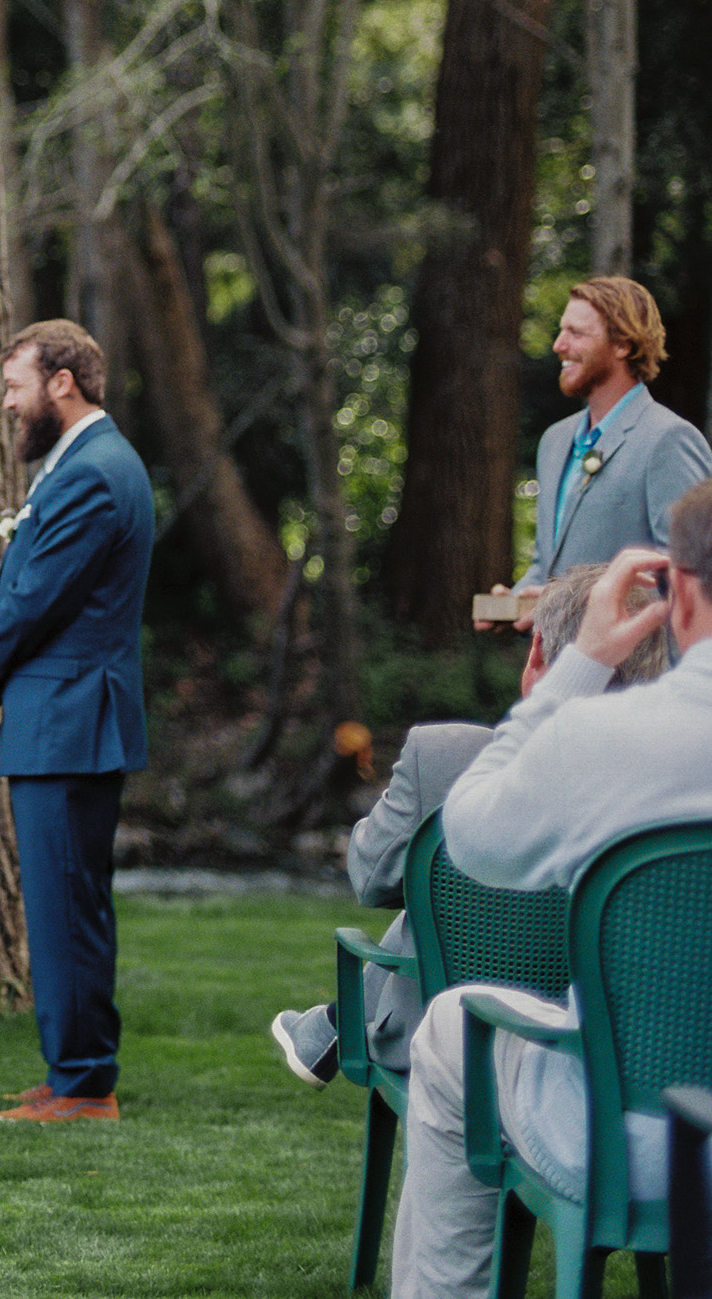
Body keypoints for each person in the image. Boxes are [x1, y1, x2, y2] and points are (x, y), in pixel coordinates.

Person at [390, 489, 712, 1299]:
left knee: (448, 1025)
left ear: (681, 592)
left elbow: (467, 837)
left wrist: (579, 666)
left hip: (627, 1138)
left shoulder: (595, 738)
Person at [271, 562, 671, 1088]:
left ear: (538, 653)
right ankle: (329, 1025)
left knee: (433, 880)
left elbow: (370, 878)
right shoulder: (678, 783)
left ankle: (336, 1021)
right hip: (630, 1055)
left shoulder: (445, 757)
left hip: (455, 1041)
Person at [0, 320, 153, 1125]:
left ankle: (82, 1085)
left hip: (69, 714)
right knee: (62, 901)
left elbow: (37, 592)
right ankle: (72, 1069)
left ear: (61, 382)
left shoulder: (94, 473)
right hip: (64, 713)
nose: (7, 403)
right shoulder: (82, 463)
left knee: (63, 902)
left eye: (15, 386)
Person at [481, 276, 710, 633]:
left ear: (622, 345)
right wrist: (515, 600)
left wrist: (564, 603)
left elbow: (694, 577)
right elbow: (548, 568)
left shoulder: (669, 440)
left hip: (637, 678)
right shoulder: (555, 442)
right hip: (559, 676)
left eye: (576, 333)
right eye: (561, 331)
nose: (558, 345)